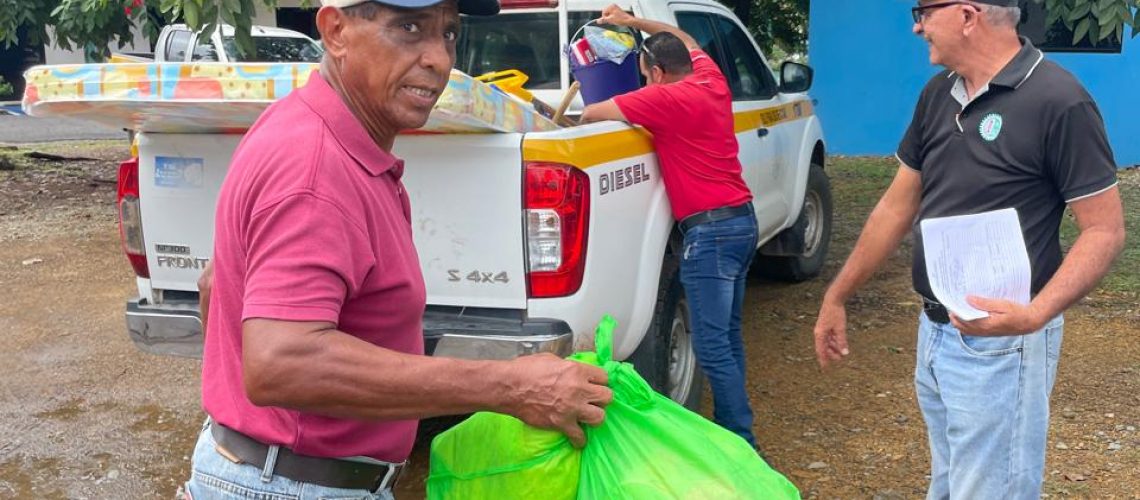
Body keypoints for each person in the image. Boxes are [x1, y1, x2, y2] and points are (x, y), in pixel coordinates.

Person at [182, 0, 613, 498]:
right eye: (408, 27)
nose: (439, 58)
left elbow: (217, 282)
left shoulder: (306, 127)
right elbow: (282, 361)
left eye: (449, 33)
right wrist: (510, 387)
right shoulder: (316, 168)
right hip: (292, 484)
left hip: (267, 469)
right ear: (335, 30)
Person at [812, 1, 1125, 497]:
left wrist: (1035, 314)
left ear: (966, 15)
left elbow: (1105, 230)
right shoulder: (939, 94)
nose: (916, 27)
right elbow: (897, 206)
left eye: (922, 12)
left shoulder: (1059, 100)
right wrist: (838, 295)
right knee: (953, 482)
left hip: (1004, 341)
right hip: (935, 332)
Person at [581, 5, 760, 448]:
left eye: (644, 75)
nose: (643, 82)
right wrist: (632, 21)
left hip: (711, 235)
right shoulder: (710, 78)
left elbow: (590, 114)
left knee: (712, 346)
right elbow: (684, 39)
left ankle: (740, 440)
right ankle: (736, 430)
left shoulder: (663, 99)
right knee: (727, 335)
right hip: (741, 222)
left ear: (658, 72)